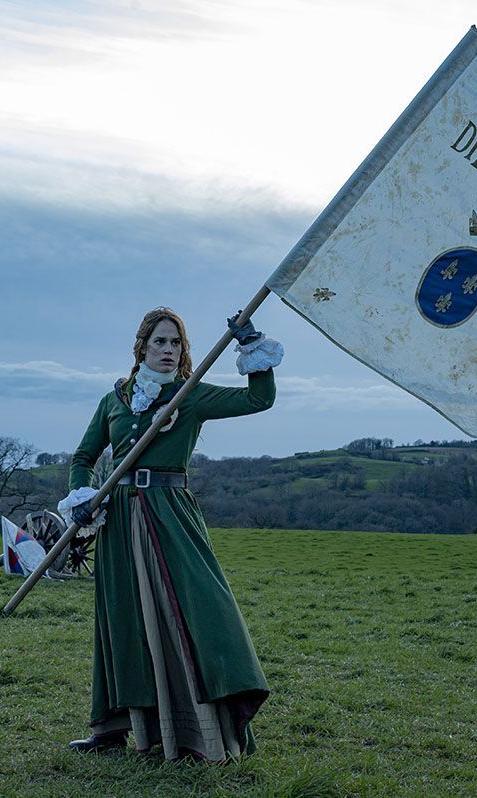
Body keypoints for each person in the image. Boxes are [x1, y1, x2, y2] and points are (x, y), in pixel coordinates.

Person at [58, 306, 284, 762]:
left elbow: (258, 400)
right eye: (159, 341)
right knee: (122, 617)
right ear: (141, 347)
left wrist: (250, 343)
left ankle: (199, 734)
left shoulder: (191, 394)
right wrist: (82, 494)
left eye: (175, 343)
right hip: (119, 519)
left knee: (195, 610)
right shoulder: (115, 399)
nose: (168, 350)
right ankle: (112, 730)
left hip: (170, 514)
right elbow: (83, 456)